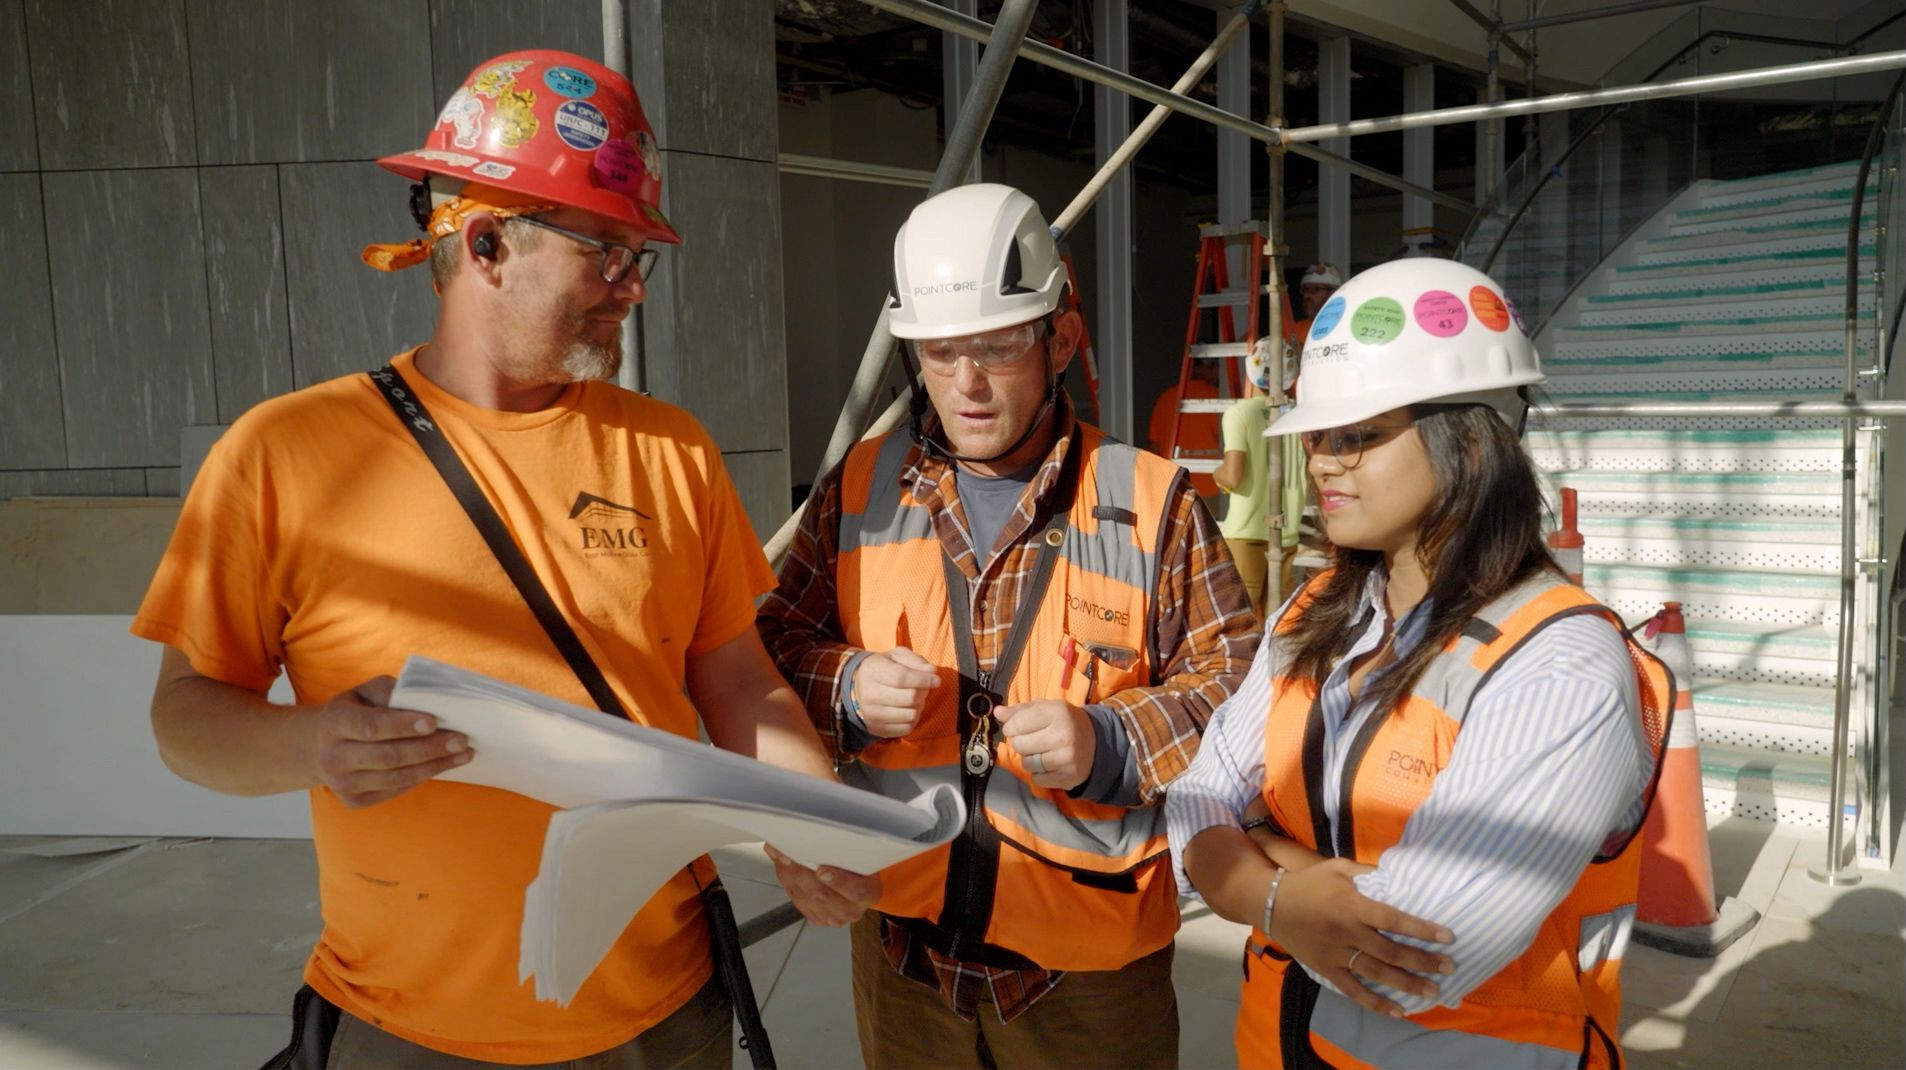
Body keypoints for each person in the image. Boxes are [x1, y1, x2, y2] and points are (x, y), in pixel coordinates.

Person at [133, 50, 844, 1068]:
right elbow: (184, 714)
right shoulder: (282, 455)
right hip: (405, 1029)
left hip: (664, 1017)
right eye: (605, 250)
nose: (633, 286)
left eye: (642, 253)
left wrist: (811, 815)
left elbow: (737, 678)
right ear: (487, 243)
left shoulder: (670, 448)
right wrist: (314, 744)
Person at [756, 183, 1260, 1069]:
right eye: (940, 352)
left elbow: (1245, 697)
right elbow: (766, 656)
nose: (967, 383)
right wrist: (841, 683)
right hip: (902, 955)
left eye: (996, 346)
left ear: (1059, 338)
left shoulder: (1151, 504)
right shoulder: (859, 491)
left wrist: (1112, 739)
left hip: (1090, 978)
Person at [1166, 259, 1672, 1069]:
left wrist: (1253, 843)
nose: (1325, 462)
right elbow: (1192, 802)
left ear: (1470, 437)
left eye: (1359, 435)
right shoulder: (1312, 613)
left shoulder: (1561, 666)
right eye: (1321, 438)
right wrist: (1285, 897)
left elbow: (1411, 957)